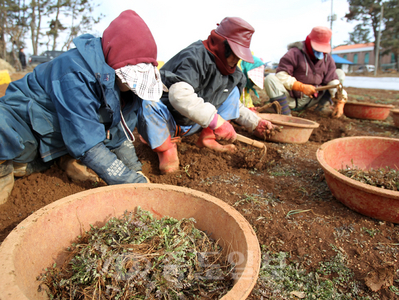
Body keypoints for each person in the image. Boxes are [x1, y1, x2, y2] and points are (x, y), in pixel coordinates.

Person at [0, 10, 161, 204]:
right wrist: (131, 182)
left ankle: (57, 160)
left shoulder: (119, 85)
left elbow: (119, 132)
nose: (133, 88)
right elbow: (87, 142)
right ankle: (5, 169)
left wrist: (135, 170)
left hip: (60, 135)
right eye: (132, 80)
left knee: (73, 142)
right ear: (115, 63)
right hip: (25, 125)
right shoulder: (74, 72)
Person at [136, 16, 275, 174]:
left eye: (240, 56)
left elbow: (232, 103)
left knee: (233, 92)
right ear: (222, 45)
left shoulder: (232, 73)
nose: (236, 60)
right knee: (147, 102)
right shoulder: (194, 57)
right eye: (235, 54)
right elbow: (179, 95)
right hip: (168, 120)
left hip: (193, 123)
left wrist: (255, 122)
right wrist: (217, 122)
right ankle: (166, 150)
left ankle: (207, 139)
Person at [264, 26, 347, 117]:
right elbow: (281, 75)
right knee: (270, 79)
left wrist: (340, 101)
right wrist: (301, 87)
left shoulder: (327, 59)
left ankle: (322, 106)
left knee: (339, 74)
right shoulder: (294, 53)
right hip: (291, 100)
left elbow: (333, 81)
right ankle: (286, 115)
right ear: (309, 41)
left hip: (313, 99)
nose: (320, 52)